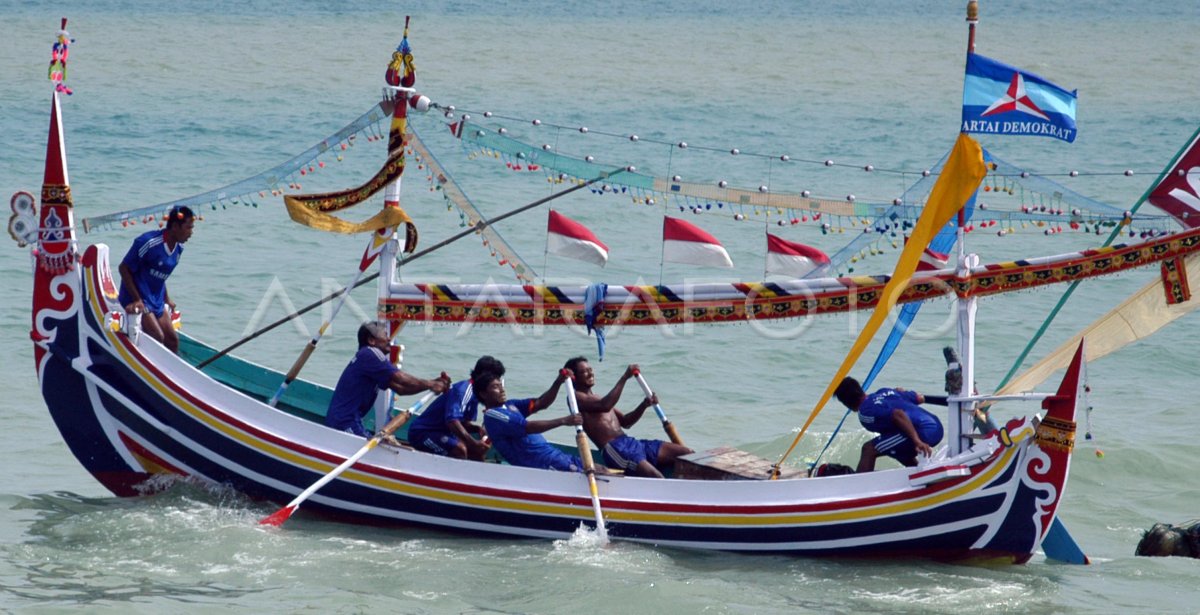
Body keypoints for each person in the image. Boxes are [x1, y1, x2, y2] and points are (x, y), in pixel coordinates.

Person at [564, 357, 694, 478]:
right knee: (657, 477)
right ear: (574, 378)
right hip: (615, 449)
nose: (590, 374)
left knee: (688, 453)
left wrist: (644, 405)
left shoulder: (598, 398)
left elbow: (626, 422)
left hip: (632, 443)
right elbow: (605, 405)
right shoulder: (576, 399)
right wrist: (625, 377)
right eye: (584, 372)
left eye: (590, 370)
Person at [325, 321, 449, 438]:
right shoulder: (370, 353)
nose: (389, 339)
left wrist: (431, 383)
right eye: (385, 335)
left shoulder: (370, 363)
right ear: (371, 340)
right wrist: (431, 384)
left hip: (346, 420)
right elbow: (401, 379)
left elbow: (401, 389)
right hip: (345, 422)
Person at [480, 370, 602, 473]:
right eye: (496, 387)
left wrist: (558, 381)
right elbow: (528, 427)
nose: (502, 390)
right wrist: (564, 420)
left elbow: (541, 403)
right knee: (589, 473)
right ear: (484, 394)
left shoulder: (510, 405)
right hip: (541, 464)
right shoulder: (493, 416)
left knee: (600, 469)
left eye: (501, 385)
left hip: (555, 455)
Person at [117, 205, 196, 353]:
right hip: (137, 297)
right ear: (174, 227)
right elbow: (123, 268)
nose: (191, 233)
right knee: (157, 336)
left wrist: (167, 299)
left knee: (173, 340)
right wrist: (137, 300)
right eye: (188, 228)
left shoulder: (179, 249)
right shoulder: (148, 242)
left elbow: (160, 276)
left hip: (156, 299)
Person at [833, 376, 948, 472]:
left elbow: (898, 414)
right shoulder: (886, 392)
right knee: (894, 448)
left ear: (846, 402)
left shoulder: (865, 412)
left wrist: (917, 441)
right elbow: (920, 398)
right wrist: (899, 393)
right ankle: (917, 472)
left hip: (924, 431)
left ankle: (857, 490)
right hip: (936, 424)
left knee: (869, 449)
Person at [407, 356, 504, 461]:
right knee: (460, 450)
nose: (497, 383)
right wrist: (473, 443)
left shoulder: (476, 394)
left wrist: (477, 429)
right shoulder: (463, 390)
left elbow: (462, 423)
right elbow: (452, 422)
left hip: (443, 432)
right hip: (422, 433)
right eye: (494, 379)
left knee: (476, 452)